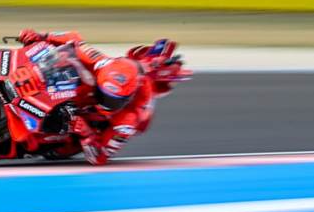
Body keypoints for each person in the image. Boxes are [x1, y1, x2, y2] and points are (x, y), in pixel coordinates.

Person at [18, 28, 189, 165]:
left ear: (127, 99)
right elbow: (74, 39)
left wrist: (87, 135)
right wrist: (41, 36)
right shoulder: (103, 63)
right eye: (104, 95)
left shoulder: (128, 120)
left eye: (112, 100)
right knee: (58, 60)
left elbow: (100, 157)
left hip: (83, 126)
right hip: (75, 94)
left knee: (43, 143)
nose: (105, 101)